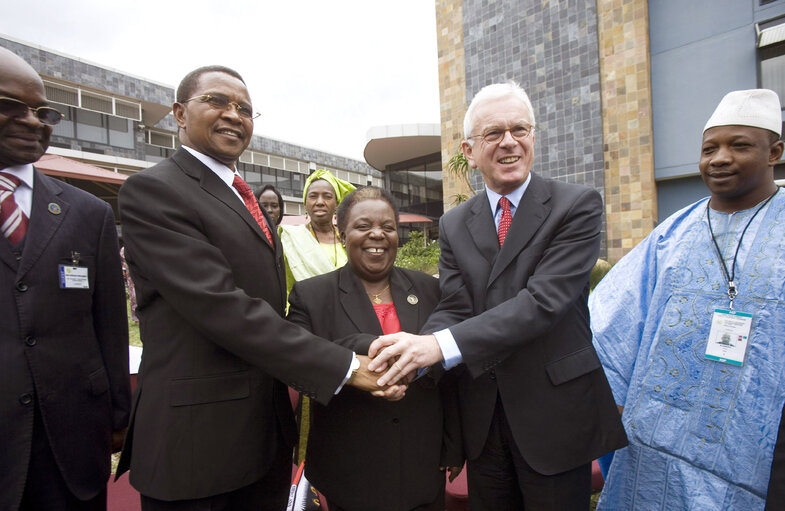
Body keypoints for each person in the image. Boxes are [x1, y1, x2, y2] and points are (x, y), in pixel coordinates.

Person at [116, 65, 402, 510]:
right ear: (178, 113)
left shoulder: (238, 196)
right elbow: (225, 309)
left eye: (245, 109)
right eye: (217, 101)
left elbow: (276, 306)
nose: (233, 115)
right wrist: (348, 366)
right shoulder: (155, 191)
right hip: (198, 447)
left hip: (261, 439)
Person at [368, 81, 627, 510]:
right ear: (468, 151)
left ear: (533, 137)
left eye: (519, 130)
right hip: (484, 418)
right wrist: (410, 360)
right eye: (493, 134)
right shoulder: (453, 223)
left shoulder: (576, 205)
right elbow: (455, 305)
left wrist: (435, 346)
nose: (509, 142)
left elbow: (541, 303)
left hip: (554, 414)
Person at [589, 88, 785, 510]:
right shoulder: (670, 236)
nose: (719, 158)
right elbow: (610, 323)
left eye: (739, 145)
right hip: (660, 439)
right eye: (709, 148)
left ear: (775, 152)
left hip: (765, 443)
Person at [0, 47, 131, 510]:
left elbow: (110, 324)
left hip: (73, 438)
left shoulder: (87, 212)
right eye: (10, 106)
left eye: (43, 112)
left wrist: (119, 412)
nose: (34, 122)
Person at [287, 187, 463, 511]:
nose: (377, 235)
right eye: (363, 226)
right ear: (342, 233)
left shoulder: (430, 289)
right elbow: (298, 360)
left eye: (388, 227)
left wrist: (453, 446)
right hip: (348, 472)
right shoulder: (311, 296)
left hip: (422, 467)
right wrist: (363, 348)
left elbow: (451, 375)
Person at [279, 168, 354, 295]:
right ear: (305, 203)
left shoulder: (349, 238)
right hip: (304, 311)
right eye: (313, 196)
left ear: (336, 203)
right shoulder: (290, 238)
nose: (320, 202)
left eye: (327, 196)